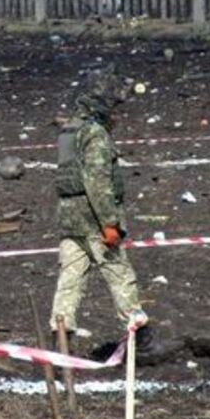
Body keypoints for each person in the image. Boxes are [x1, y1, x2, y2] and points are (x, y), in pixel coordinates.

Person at [50, 66, 153, 354]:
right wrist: (109, 222)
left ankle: (60, 340)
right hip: (94, 220)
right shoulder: (95, 134)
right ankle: (140, 335)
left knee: (69, 281)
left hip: (70, 219)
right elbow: (97, 181)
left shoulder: (70, 130)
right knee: (119, 273)